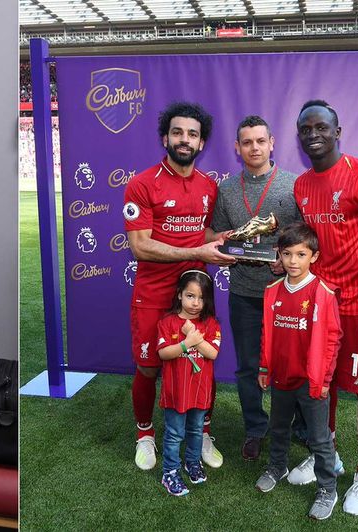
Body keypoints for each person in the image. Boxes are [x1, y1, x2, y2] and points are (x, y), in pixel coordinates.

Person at [290, 100, 358, 516]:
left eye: (321, 127)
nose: (313, 134)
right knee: (322, 385)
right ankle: (327, 455)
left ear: (338, 132)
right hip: (321, 307)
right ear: (299, 137)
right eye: (306, 129)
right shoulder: (302, 186)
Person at [123, 101, 235, 472]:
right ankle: (144, 434)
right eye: (177, 132)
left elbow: (204, 234)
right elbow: (140, 245)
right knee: (150, 367)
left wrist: (224, 241)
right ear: (164, 138)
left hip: (195, 295)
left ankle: (201, 432)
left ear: (201, 143)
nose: (184, 140)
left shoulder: (208, 186)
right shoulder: (141, 184)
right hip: (154, 293)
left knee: (201, 360)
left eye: (192, 134)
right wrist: (197, 249)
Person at [207, 115, 304, 461]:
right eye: (246, 142)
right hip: (245, 293)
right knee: (248, 366)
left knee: (290, 365)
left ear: (272, 143)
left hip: (288, 293)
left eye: (260, 141)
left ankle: (294, 425)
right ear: (237, 147)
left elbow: (307, 237)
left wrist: (287, 257)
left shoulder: (293, 186)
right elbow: (213, 232)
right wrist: (222, 244)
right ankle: (255, 428)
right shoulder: (227, 189)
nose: (254, 148)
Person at [254, 222, 342, 520]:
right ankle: (277, 467)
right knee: (278, 427)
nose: (293, 261)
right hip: (281, 376)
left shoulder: (323, 292)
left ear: (313, 257)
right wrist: (265, 366)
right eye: (287, 254)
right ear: (278, 254)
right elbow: (268, 332)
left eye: (301, 254)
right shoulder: (272, 291)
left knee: (319, 438)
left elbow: (332, 339)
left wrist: (326, 378)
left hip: (312, 380)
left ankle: (328, 488)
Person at [156, 270, 221, 496]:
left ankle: (192, 462)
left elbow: (212, 353)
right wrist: (186, 343)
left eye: (201, 298)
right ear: (179, 295)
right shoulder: (167, 322)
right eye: (190, 296)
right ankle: (170, 471)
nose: (195, 303)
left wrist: (195, 339)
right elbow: (164, 353)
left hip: (200, 393)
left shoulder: (211, 323)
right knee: (174, 433)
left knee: (195, 430)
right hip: (176, 392)